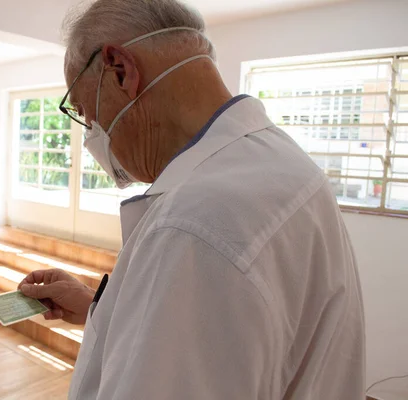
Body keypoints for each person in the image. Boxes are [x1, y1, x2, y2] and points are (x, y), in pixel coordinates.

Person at [19, 0, 366, 398]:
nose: (92, 136)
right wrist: (100, 306)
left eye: (85, 112)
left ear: (119, 71)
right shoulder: (285, 164)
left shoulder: (194, 227)